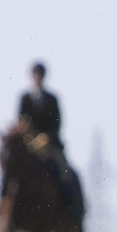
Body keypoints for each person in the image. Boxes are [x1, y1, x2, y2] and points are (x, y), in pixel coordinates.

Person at [14, 61, 81, 220]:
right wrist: (29, 138)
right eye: (35, 74)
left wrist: (46, 137)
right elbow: (21, 121)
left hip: (49, 144)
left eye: (40, 74)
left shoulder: (52, 99)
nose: (37, 77)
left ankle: (69, 209)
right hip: (29, 145)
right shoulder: (25, 98)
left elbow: (57, 122)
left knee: (65, 173)